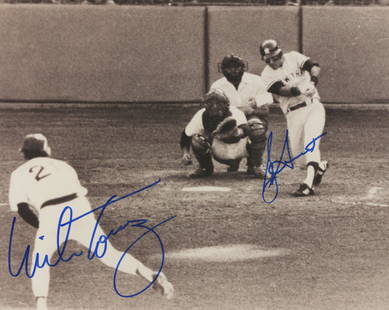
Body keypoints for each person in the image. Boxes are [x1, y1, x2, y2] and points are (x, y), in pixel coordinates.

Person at [8, 133, 174, 310]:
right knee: (108, 254)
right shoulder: (64, 166)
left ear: (24, 154)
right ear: (46, 151)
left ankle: (41, 306)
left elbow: (23, 209)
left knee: (40, 259)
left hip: (51, 213)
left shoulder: (18, 173)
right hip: (80, 208)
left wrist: (44, 227)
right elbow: (73, 192)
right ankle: (149, 274)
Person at [259, 39, 328, 196]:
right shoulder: (266, 75)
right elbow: (284, 91)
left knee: (311, 143)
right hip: (293, 114)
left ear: (280, 53)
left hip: (313, 107)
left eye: (275, 57)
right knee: (301, 161)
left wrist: (313, 81)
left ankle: (308, 184)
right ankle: (320, 167)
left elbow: (314, 66)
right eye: (269, 59)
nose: (273, 61)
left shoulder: (294, 57)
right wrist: (304, 88)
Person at [210, 54, 274, 178]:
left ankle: (256, 164)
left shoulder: (256, 81)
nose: (233, 71)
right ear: (222, 69)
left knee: (256, 127)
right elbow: (215, 114)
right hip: (229, 121)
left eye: (237, 67)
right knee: (224, 132)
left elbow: (265, 110)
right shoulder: (217, 86)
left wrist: (244, 111)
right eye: (229, 68)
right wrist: (244, 110)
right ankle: (231, 160)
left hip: (251, 118)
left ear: (243, 67)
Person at [180, 89, 251, 178]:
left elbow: (247, 129)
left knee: (256, 127)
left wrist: (238, 132)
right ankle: (205, 168)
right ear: (205, 105)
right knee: (198, 139)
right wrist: (185, 153)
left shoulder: (235, 112)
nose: (214, 106)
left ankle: (255, 165)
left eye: (219, 103)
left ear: (226, 104)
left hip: (239, 149)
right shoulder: (201, 115)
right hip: (219, 150)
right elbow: (186, 136)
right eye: (211, 103)